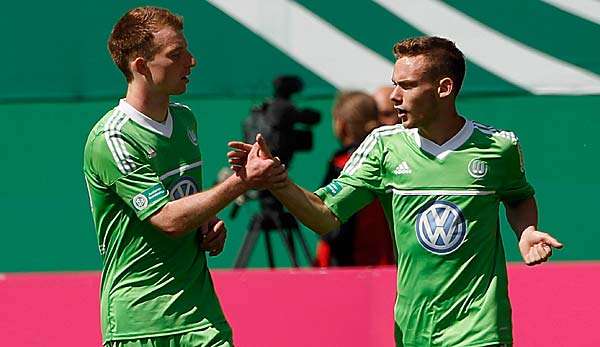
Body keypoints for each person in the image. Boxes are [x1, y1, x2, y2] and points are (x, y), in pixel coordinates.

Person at [229, 36, 563, 346]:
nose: (394, 97)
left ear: (444, 88)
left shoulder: (498, 147)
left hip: (480, 330)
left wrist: (526, 230)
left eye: (407, 86)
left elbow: (518, 196)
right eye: (394, 85)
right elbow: (325, 216)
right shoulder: (381, 146)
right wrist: (278, 181)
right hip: (413, 329)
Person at [83, 7, 284, 347]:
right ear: (141, 67)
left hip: (201, 317)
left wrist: (208, 224)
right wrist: (241, 182)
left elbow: (185, 204)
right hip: (141, 322)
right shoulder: (112, 138)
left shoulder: (185, 120)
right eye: (176, 55)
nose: (191, 62)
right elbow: (168, 219)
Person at [315, 91, 395, 267]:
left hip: (349, 268)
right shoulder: (389, 157)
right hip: (388, 264)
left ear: (341, 125)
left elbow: (326, 216)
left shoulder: (343, 163)